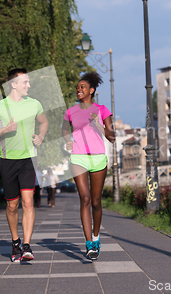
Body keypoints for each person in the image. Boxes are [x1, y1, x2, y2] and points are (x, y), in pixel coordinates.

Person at [0, 68, 48, 262]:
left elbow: (43, 122)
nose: (29, 85)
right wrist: (4, 129)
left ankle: (27, 246)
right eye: (25, 82)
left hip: (29, 158)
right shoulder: (0, 107)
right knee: (12, 205)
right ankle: (15, 242)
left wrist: (41, 136)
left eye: (28, 82)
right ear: (13, 84)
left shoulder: (35, 104)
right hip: (8, 160)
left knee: (28, 201)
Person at [62, 72, 115, 260]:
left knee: (95, 201)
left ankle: (96, 235)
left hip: (98, 159)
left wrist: (97, 124)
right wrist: (67, 141)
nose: (79, 89)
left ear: (91, 90)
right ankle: (89, 244)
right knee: (84, 199)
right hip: (78, 158)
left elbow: (112, 137)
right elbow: (64, 130)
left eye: (83, 87)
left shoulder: (102, 110)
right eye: (77, 87)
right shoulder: (70, 112)